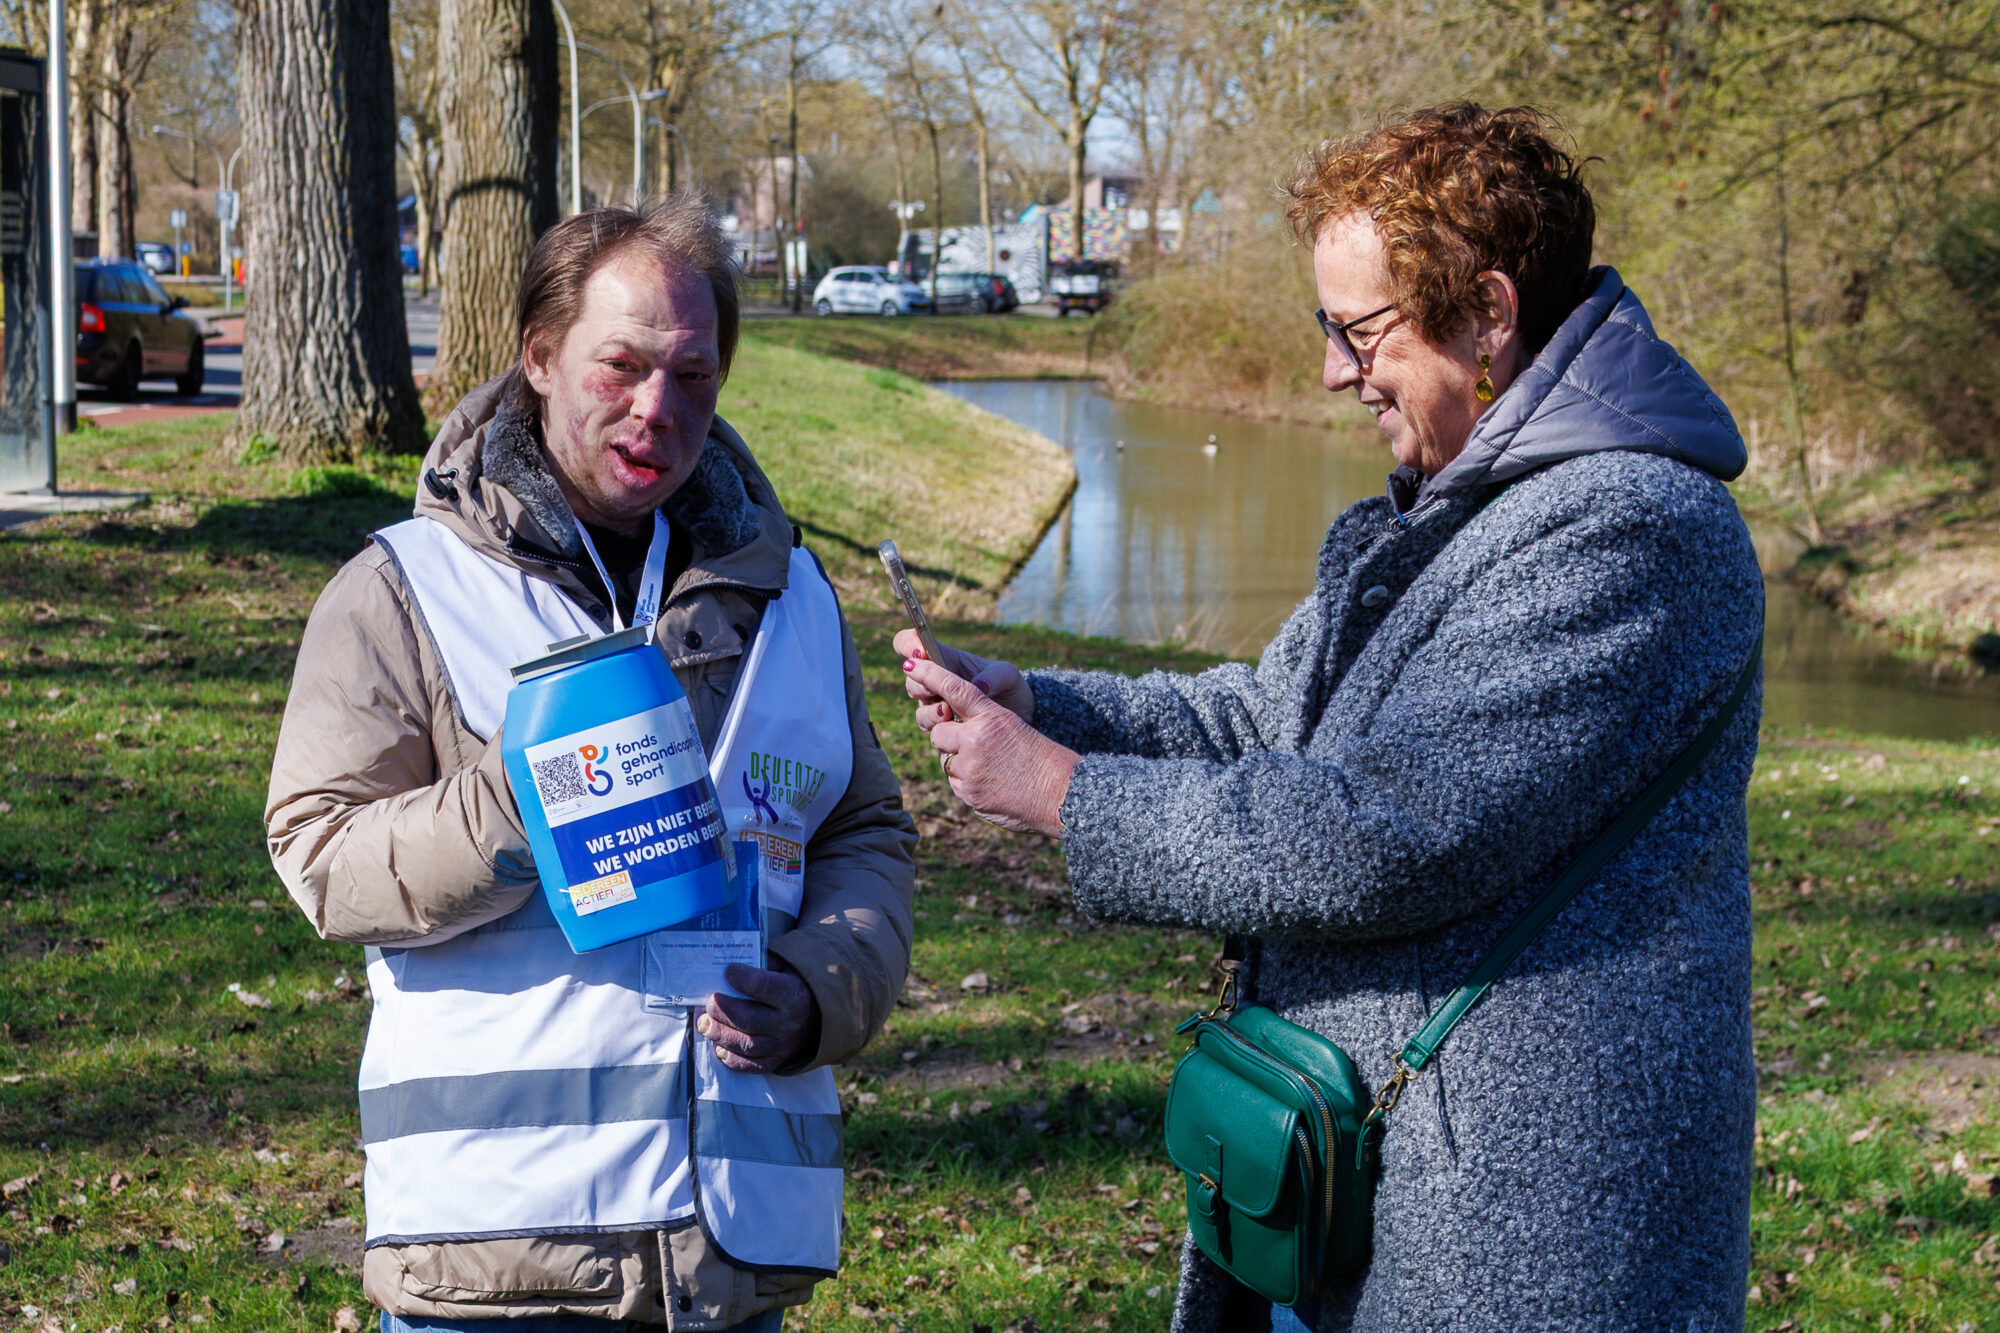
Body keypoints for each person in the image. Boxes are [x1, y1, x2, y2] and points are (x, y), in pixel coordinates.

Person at [901, 103, 1762, 1332]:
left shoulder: (1627, 533)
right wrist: (1040, 703)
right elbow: (1268, 718)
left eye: (1359, 331)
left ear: (1488, 312)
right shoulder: (1455, 505)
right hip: (1371, 1203)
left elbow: (1392, 830)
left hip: (1523, 1240)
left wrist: (1058, 792)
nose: (1329, 371)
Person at [266, 197, 916, 1331]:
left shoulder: (792, 595)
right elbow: (320, 855)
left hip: (729, 1254)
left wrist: (819, 991)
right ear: (538, 356)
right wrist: (523, 805)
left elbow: (863, 834)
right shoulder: (401, 588)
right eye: (619, 366)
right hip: (494, 1255)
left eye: (694, 378)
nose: (656, 410)